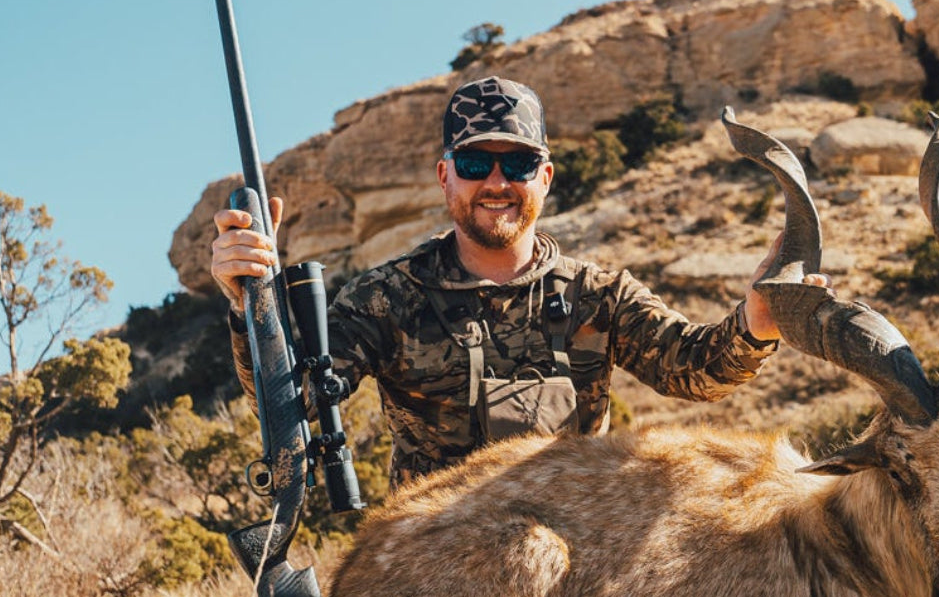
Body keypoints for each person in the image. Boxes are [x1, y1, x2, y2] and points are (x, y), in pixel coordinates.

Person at [211, 76, 809, 488]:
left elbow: (695, 368)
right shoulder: (385, 298)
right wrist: (249, 308)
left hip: (575, 553)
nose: (497, 181)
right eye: (475, 164)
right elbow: (297, 402)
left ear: (545, 177)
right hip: (435, 554)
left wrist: (756, 319)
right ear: (446, 177)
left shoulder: (599, 294)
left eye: (518, 164)